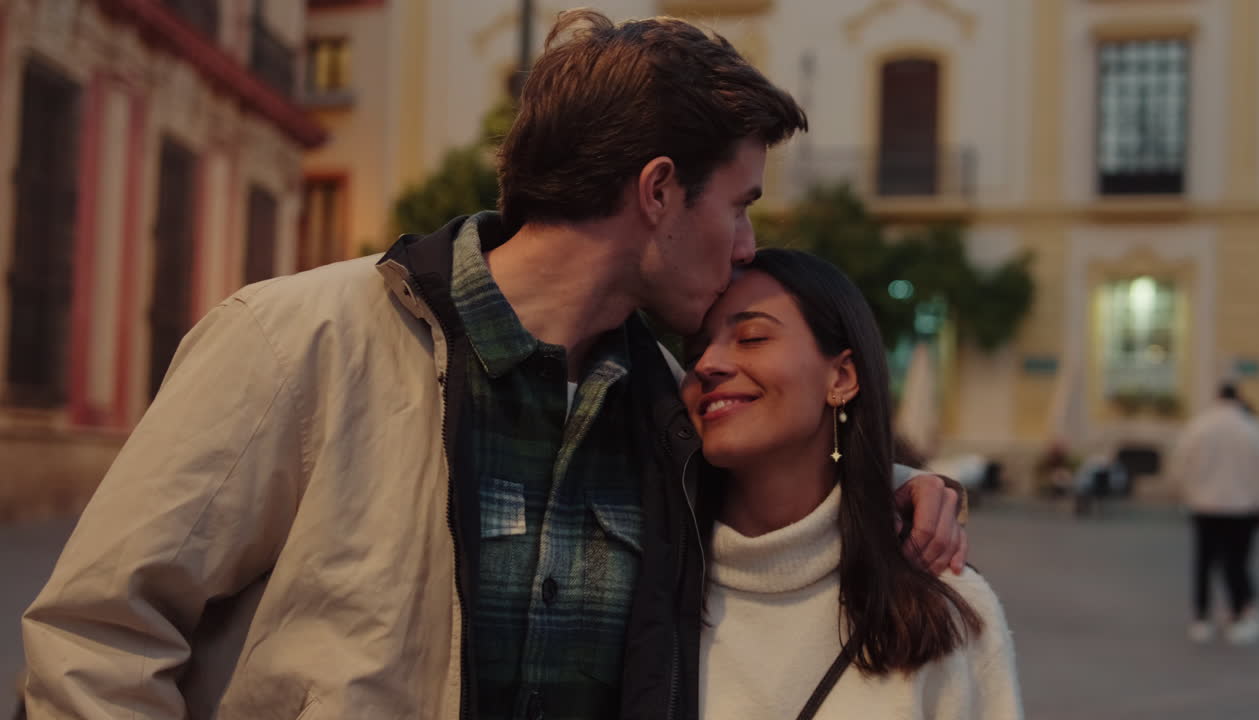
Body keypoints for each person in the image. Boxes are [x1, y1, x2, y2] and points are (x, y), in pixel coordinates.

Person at [21, 10, 966, 720]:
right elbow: (96, 636)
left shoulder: (668, 413)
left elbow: (780, 500)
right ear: (659, 191)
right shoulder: (297, 339)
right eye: (739, 203)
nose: (748, 245)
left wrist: (895, 483)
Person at [682, 249, 1021, 719]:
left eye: (752, 337)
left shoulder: (945, 606)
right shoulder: (648, 583)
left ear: (841, 377)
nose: (708, 363)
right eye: (693, 348)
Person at [1172, 382, 1259, 645]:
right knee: (1238, 562)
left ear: (1216, 398)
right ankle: (1239, 614)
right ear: (1238, 399)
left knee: (1204, 562)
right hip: (1243, 508)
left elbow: (1180, 466)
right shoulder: (1252, 429)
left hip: (1205, 506)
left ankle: (1201, 617)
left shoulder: (1199, 427)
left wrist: (1189, 495)